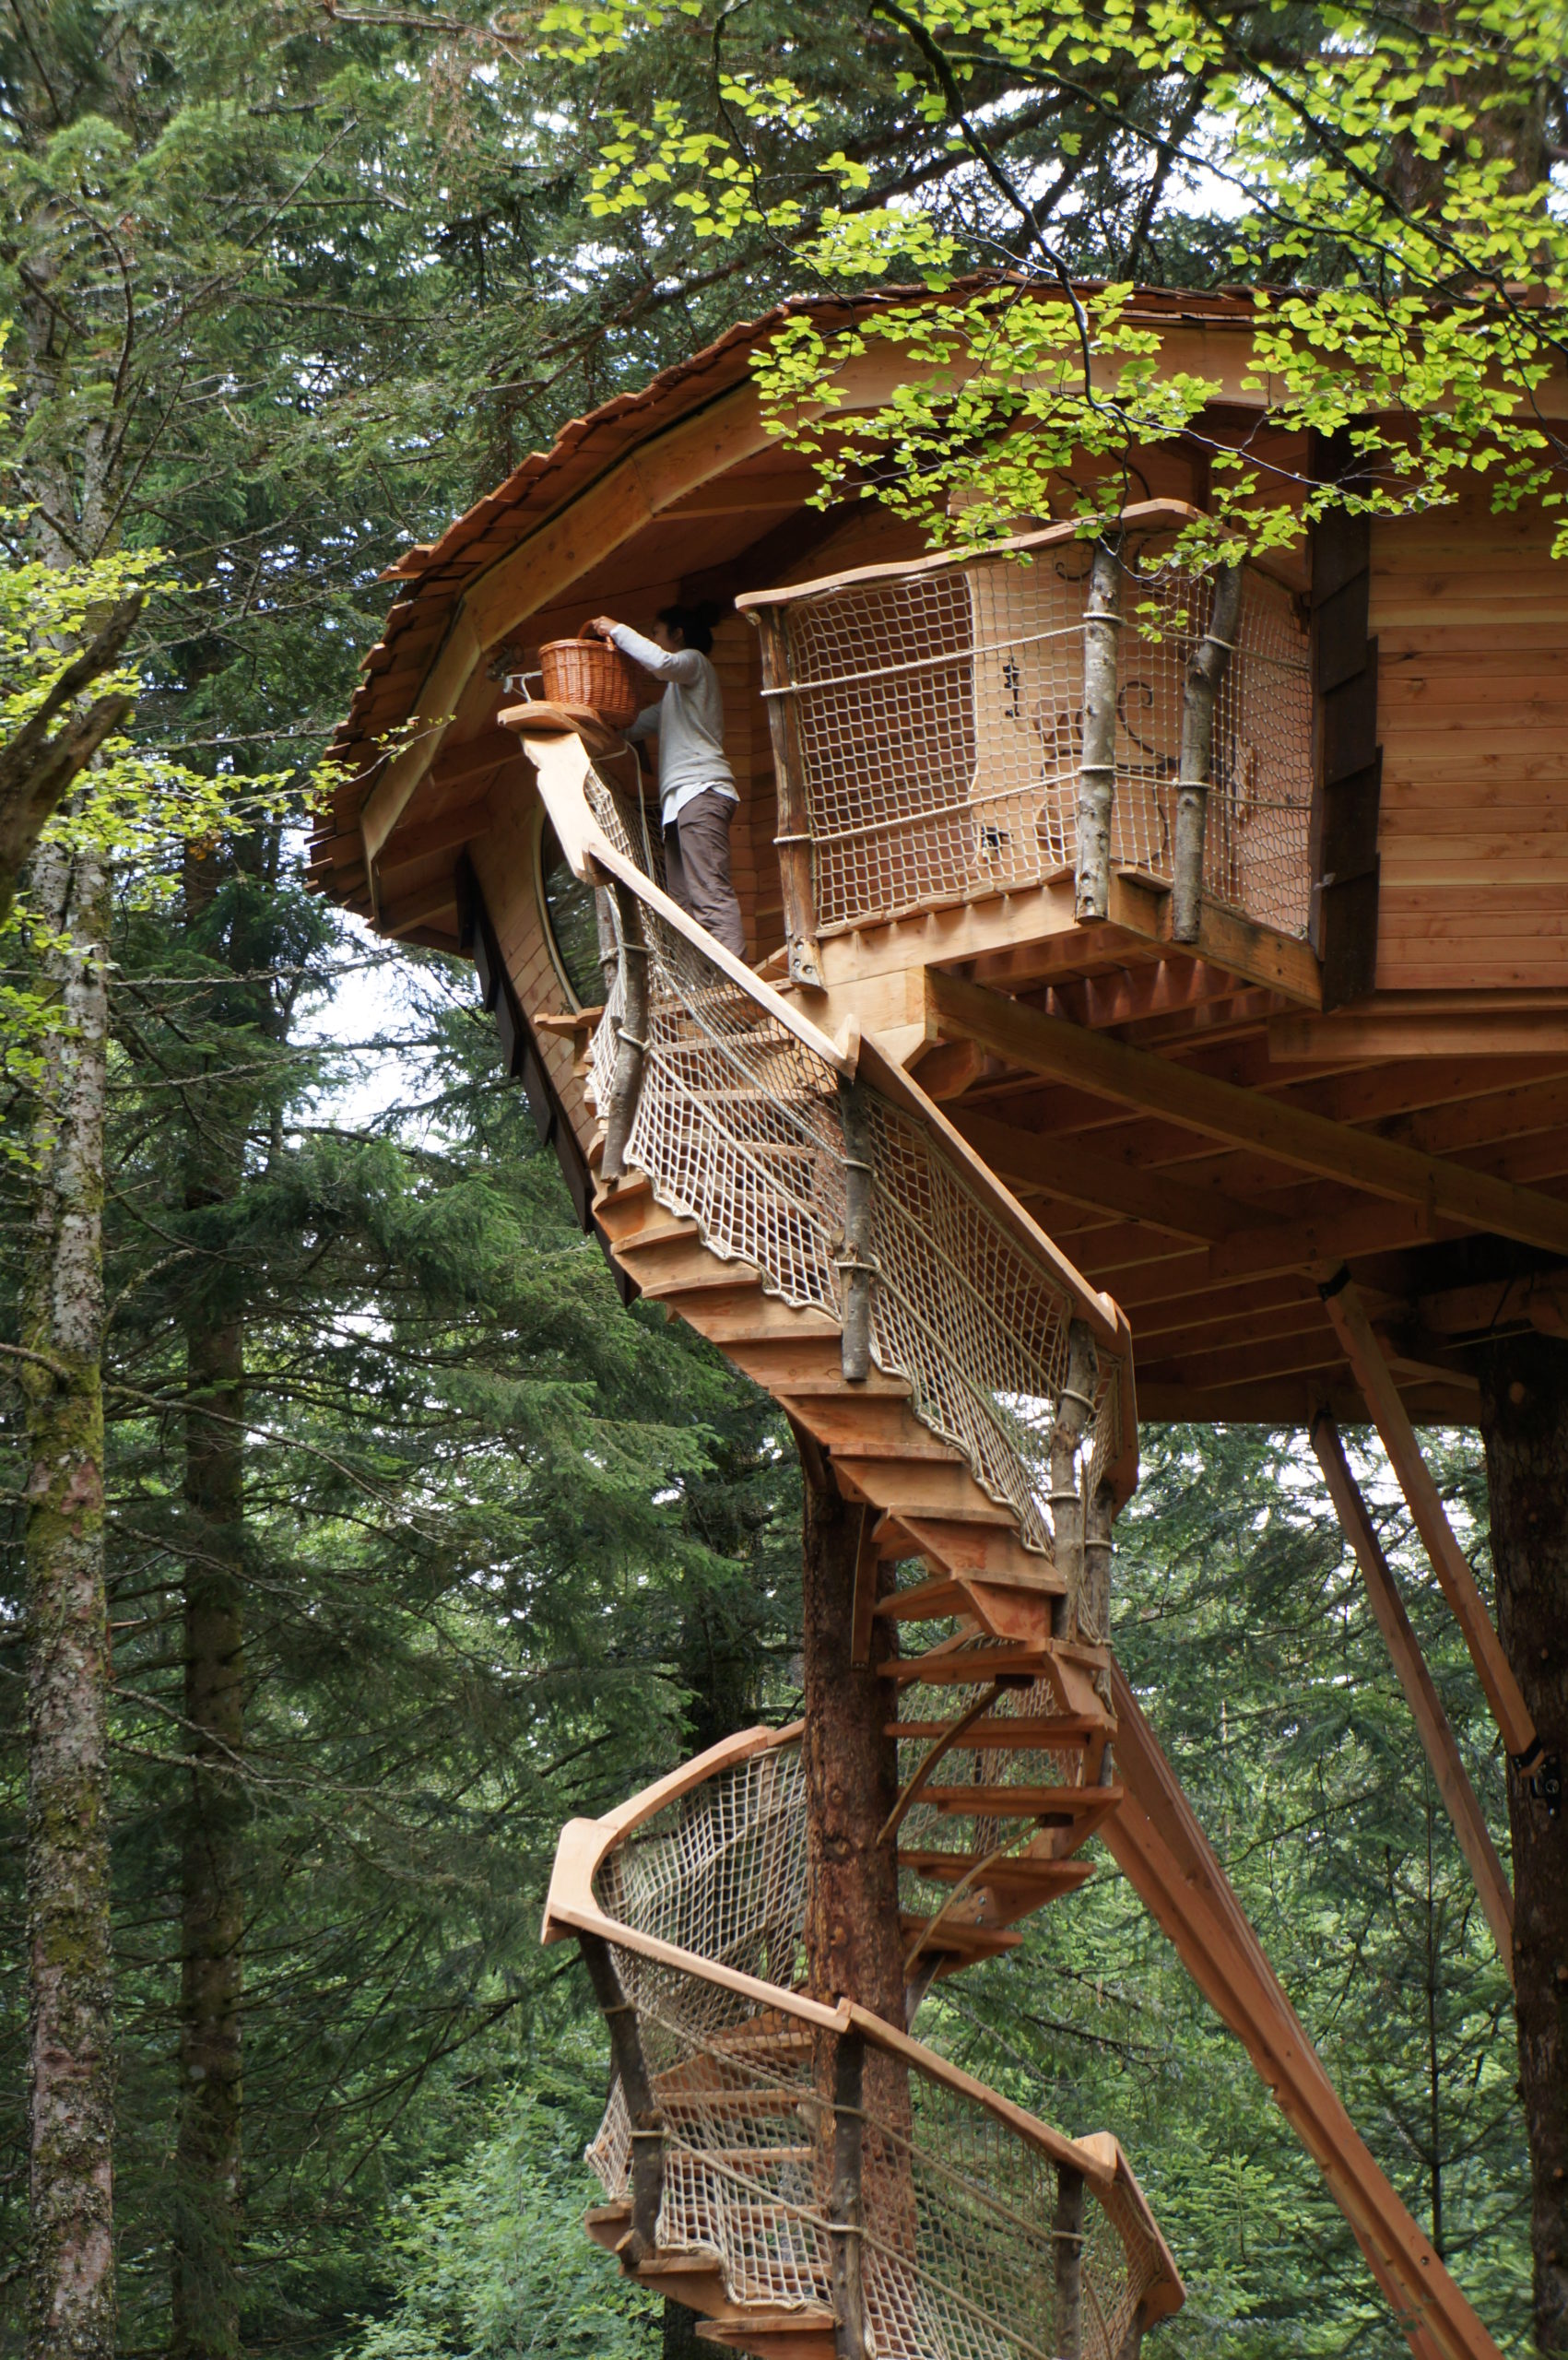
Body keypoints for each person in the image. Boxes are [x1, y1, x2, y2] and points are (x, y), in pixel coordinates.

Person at [584, 602, 747, 960]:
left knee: (709, 894)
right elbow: (632, 728)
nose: (654, 639)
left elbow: (661, 664)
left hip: (701, 792)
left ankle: (736, 981)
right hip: (682, 804)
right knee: (683, 904)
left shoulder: (694, 662)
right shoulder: (677, 697)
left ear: (678, 634)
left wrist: (617, 630)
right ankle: (702, 983)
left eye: (656, 632)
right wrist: (593, 723)